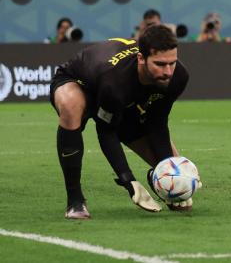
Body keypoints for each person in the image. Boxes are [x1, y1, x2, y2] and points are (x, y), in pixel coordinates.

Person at [50, 25, 190, 219]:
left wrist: (168, 172)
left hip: (123, 99)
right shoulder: (115, 82)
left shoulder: (178, 77)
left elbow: (156, 124)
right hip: (80, 83)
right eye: (160, 64)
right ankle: (75, 200)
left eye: (172, 63)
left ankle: (155, 180)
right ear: (141, 59)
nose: (168, 71)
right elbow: (106, 131)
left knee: (177, 175)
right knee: (70, 105)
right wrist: (128, 180)